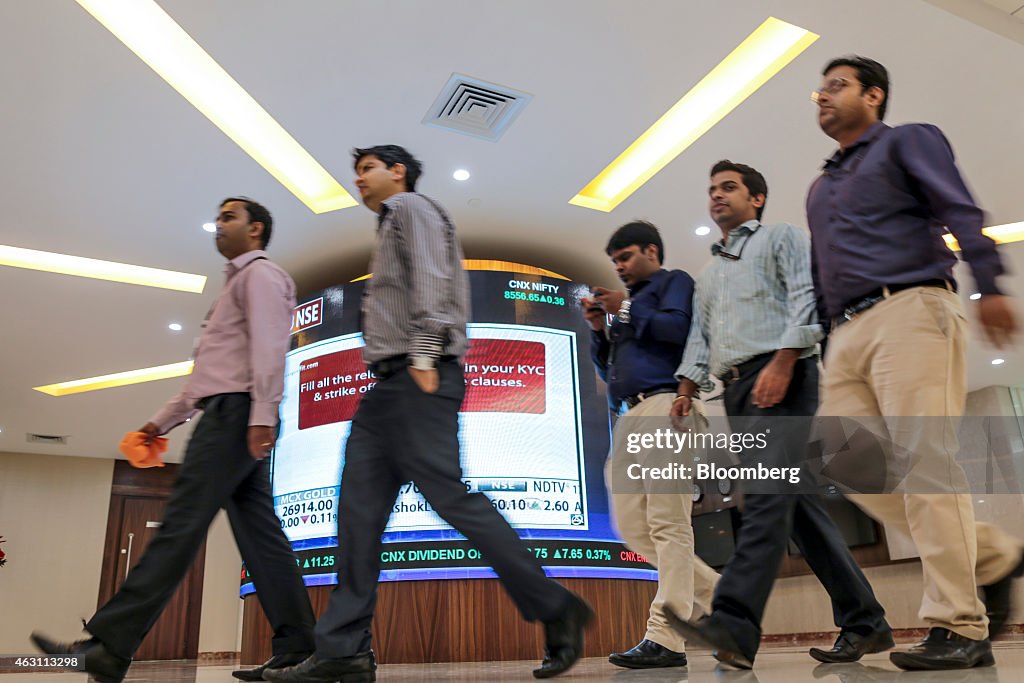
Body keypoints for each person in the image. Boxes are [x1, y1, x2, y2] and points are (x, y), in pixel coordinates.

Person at [266, 145, 592, 683]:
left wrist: (422, 355)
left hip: (419, 373)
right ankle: (343, 652)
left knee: (450, 497)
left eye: (366, 169)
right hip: (386, 390)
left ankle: (556, 606)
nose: (358, 180)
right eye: (356, 173)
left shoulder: (411, 209)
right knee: (357, 517)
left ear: (398, 172)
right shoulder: (392, 222)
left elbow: (435, 281)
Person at [32, 198, 317, 683]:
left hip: (236, 415)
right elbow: (203, 379)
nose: (219, 223)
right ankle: (301, 651)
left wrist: (263, 415)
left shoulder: (262, 276)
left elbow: (273, 347)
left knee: (180, 525)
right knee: (261, 538)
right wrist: (158, 424)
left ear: (256, 229)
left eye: (229, 216)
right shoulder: (229, 291)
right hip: (229, 411)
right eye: (219, 216)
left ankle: (109, 645)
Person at [807, 55, 1024, 671]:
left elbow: (958, 207)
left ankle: (960, 624)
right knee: (846, 465)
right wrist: (825, 342)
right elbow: (824, 272)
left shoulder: (907, 141)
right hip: (843, 333)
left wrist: (989, 280)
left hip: (911, 307)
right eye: (819, 88)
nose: (821, 95)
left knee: (925, 463)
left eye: (837, 85)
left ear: (873, 96)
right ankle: (990, 555)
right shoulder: (820, 186)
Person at [665, 161, 892, 668]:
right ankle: (866, 622)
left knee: (765, 501)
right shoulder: (708, 277)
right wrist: (686, 387)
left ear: (757, 198)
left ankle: (734, 621)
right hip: (738, 391)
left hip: (783, 377)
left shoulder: (782, 238)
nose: (717, 196)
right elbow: (700, 340)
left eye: (729, 188)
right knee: (801, 512)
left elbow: (806, 299)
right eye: (712, 190)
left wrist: (786, 359)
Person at [582, 221, 719, 669]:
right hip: (629, 415)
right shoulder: (626, 309)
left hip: (667, 405)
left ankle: (666, 636)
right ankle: (727, 601)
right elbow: (610, 372)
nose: (619, 267)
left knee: (667, 524)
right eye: (616, 260)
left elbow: (677, 332)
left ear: (651, 251)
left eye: (626, 257)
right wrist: (601, 330)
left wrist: (626, 308)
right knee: (632, 526)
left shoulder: (673, 283)